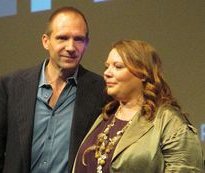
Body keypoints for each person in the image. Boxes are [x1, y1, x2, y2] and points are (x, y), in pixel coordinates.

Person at [0, 7, 107, 173]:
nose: (70, 47)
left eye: (78, 39)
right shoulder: (11, 85)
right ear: (46, 41)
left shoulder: (101, 90)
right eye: (62, 38)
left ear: (87, 43)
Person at [73, 40, 205, 173]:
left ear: (142, 73)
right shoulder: (106, 116)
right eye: (107, 66)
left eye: (118, 66)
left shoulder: (167, 120)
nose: (107, 73)